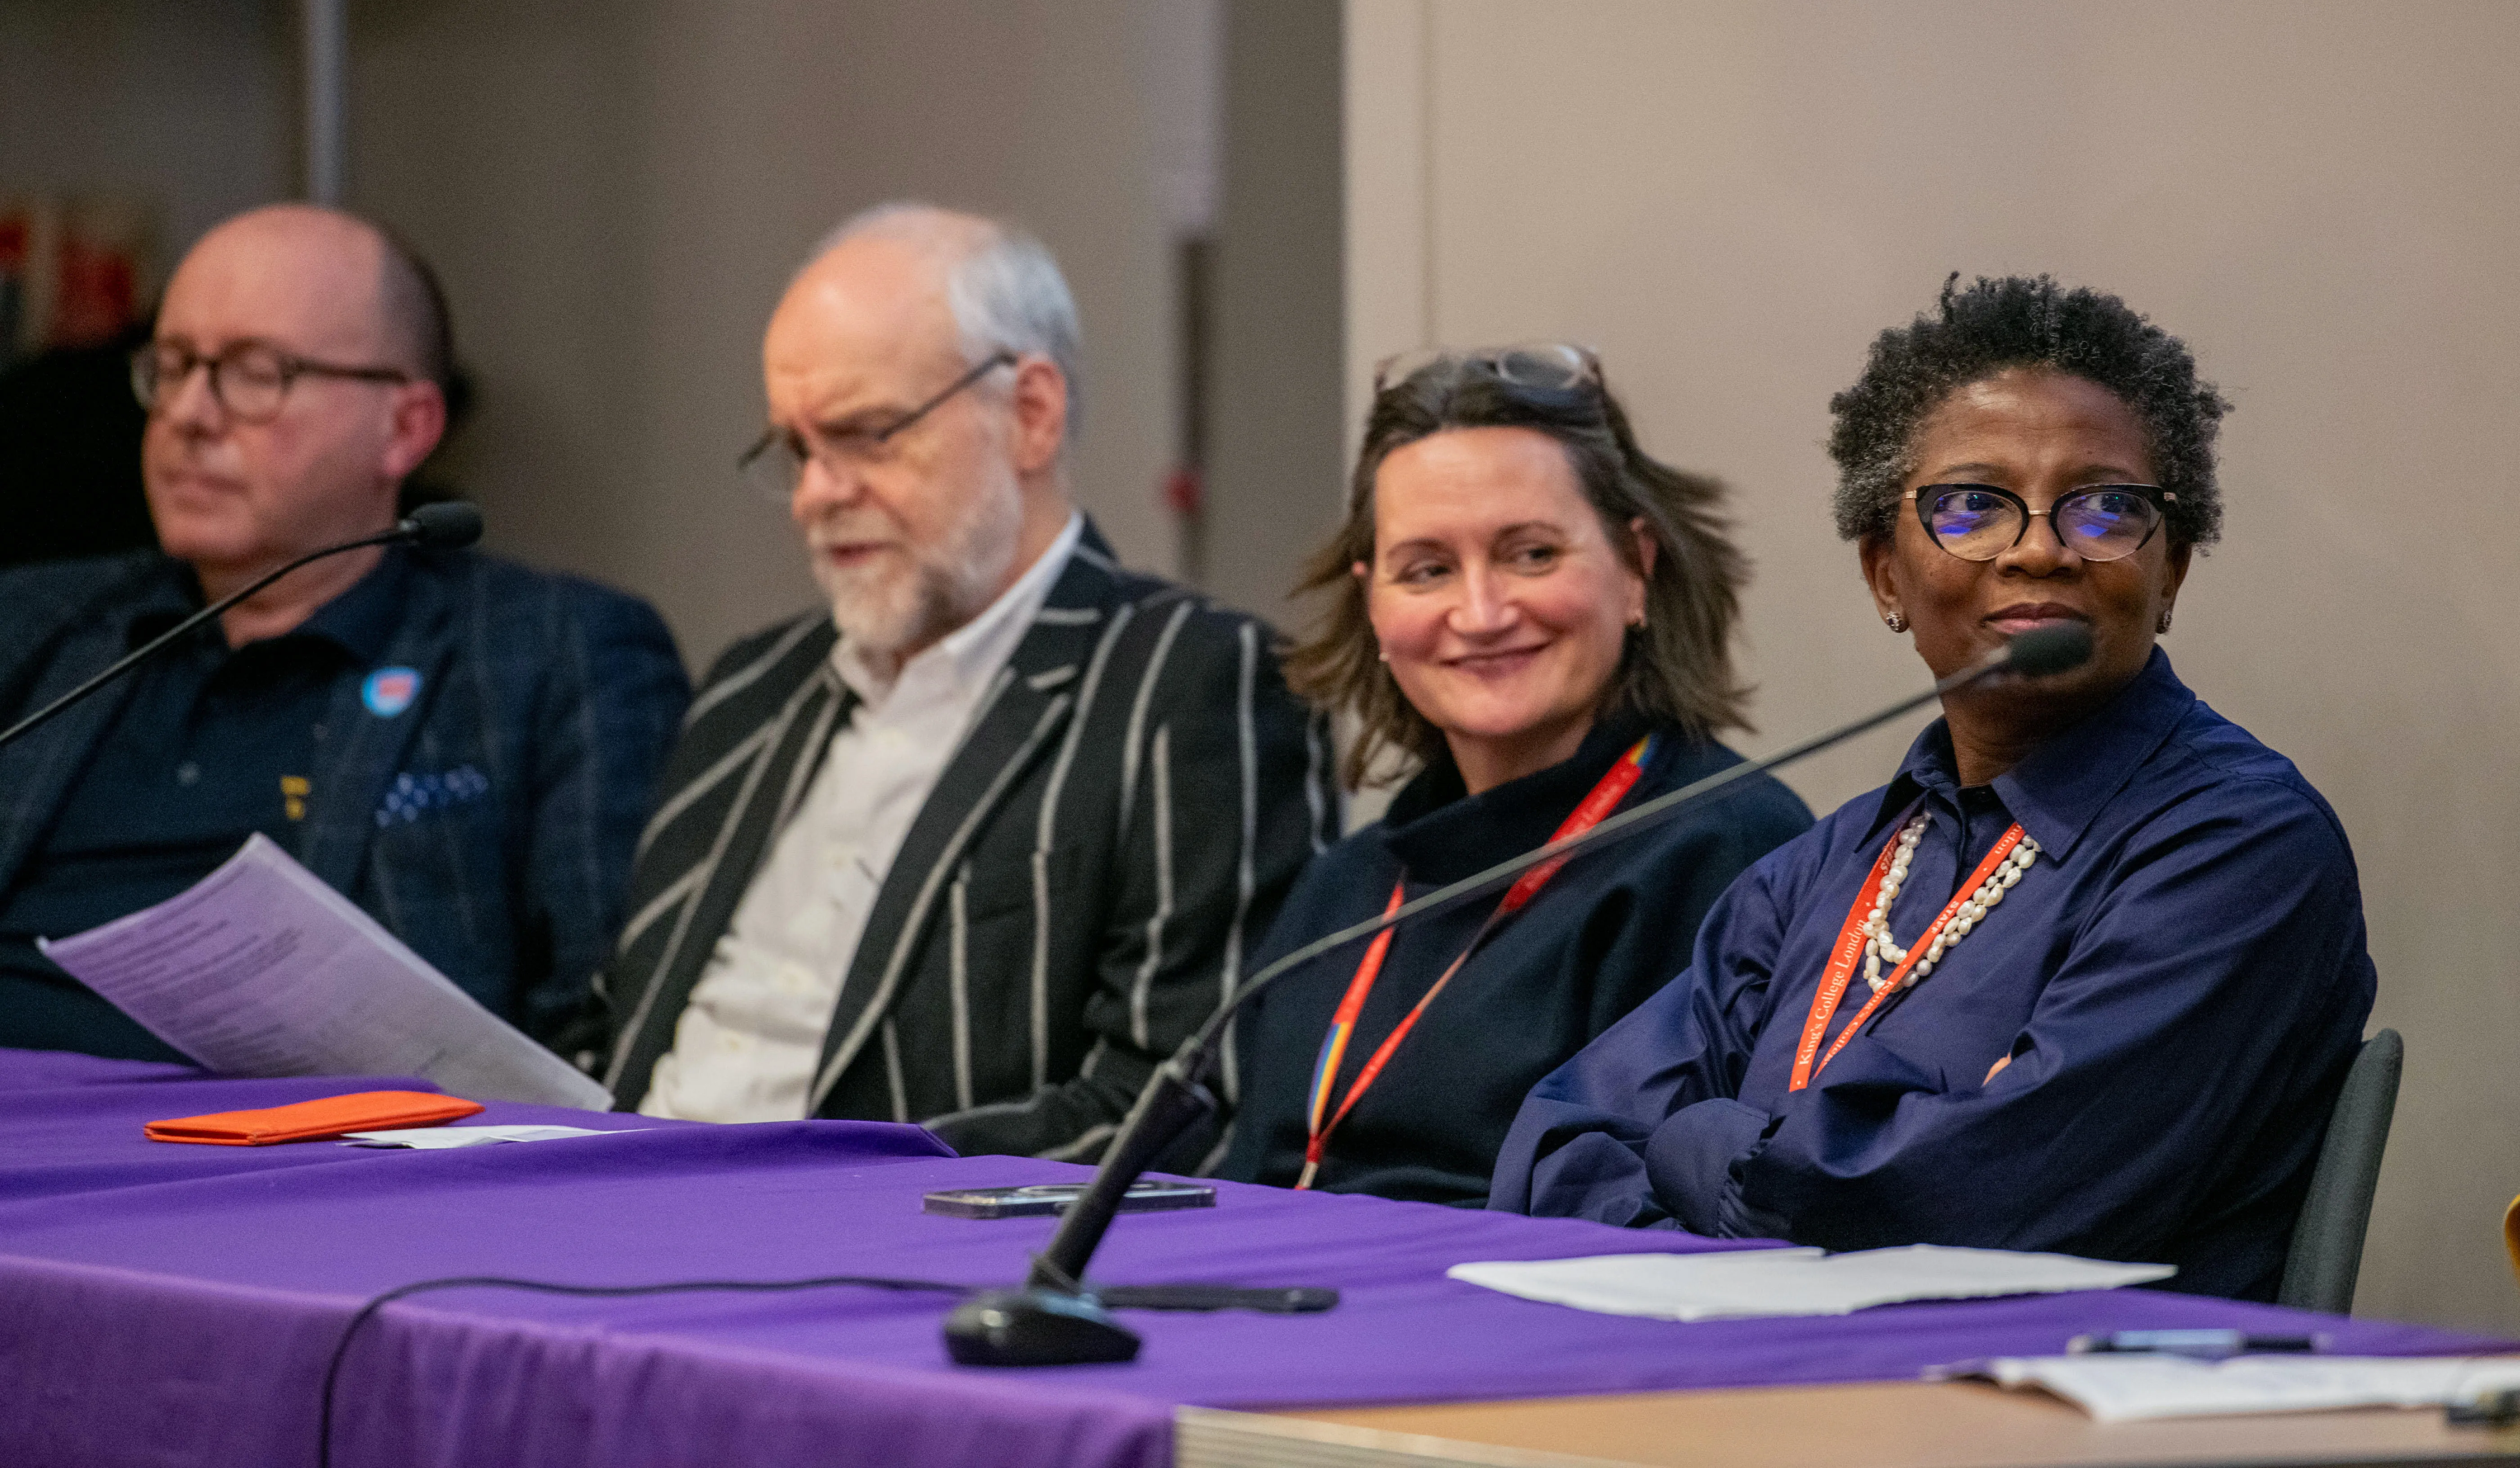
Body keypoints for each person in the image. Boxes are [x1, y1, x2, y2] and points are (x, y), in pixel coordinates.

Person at [1489, 276, 2372, 1301]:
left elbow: (1980, 1213)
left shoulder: (2238, 844)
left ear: (2168, 573)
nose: (2041, 548)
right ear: (1884, 576)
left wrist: (1703, 1142)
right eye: (1971, 506)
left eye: (2104, 508)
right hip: (1750, 1400)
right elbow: (1557, 1150)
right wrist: (1803, 1186)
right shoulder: (1819, 871)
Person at [599, 203, 1332, 1160]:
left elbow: (1183, 1104)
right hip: (604, 1208)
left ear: (1030, 413)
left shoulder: (1193, 682)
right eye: (798, 450)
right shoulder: (751, 690)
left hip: (886, 1257)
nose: (819, 493)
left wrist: (795, 1189)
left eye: (866, 435)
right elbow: (616, 1026)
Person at [0, 203, 690, 1058]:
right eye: (172, 366)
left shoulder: (553, 654)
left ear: (405, 428)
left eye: (255, 372)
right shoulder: (32, 626)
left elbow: (611, 1024)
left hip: (312, 1159)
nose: (188, 414)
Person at [1218, 347, 1811, 1205]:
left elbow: (1677, 1218)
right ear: (1374, 603)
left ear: (1637, 567)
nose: (1482, 613)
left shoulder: (1729, 853)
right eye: (1426, 569)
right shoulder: (1341, 888)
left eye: (1531, 554)